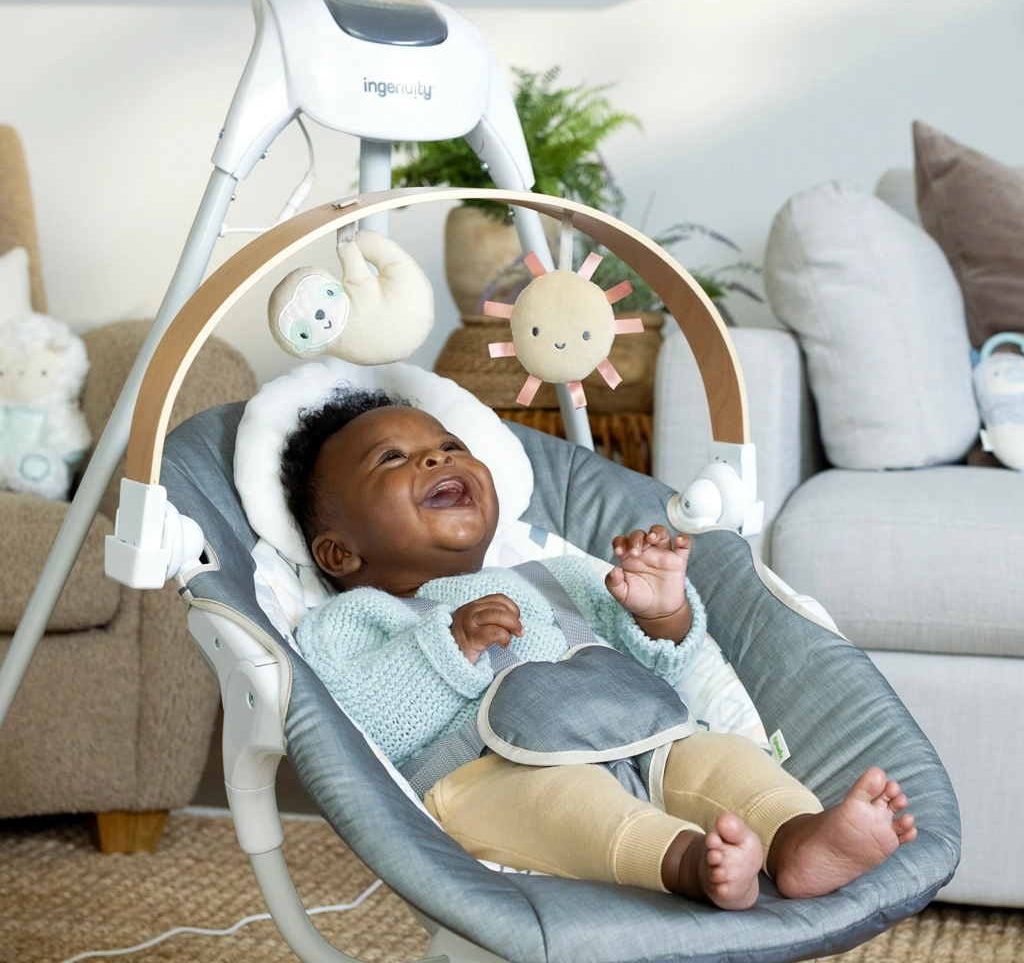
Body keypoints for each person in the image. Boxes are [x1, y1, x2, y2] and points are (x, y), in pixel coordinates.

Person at [282, 387, 916, 909]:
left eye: (450, 447)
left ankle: (798, 839)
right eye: (392, 459)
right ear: (339, 552)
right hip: (490, 776)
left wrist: (659, 610)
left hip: (644, 740)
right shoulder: (355, 619)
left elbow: (656, 663)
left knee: (723, 759)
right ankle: (689, 863)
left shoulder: (550, 575)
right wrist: (447, 646)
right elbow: (357, 723)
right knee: (568, 809)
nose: (434, 459)